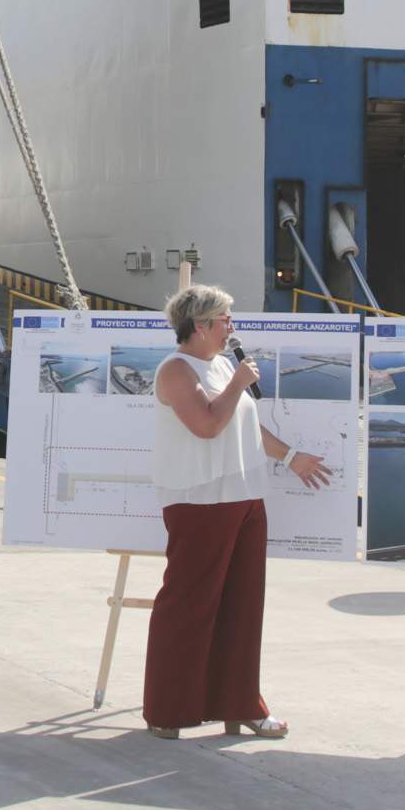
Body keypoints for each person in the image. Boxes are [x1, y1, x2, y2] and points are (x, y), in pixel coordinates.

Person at [144, 283, 333, 741]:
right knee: (189, 604)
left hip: (244, 496)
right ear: (202, 325)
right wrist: (236, 384)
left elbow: (244, 424)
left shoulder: (223, 365)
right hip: (199, 501)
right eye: (226, 319)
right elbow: (208, 425)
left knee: (244, 606)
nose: (232, 327)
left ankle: (240, 704)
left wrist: (291, 457)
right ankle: (168, 709)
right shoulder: (176, 371)